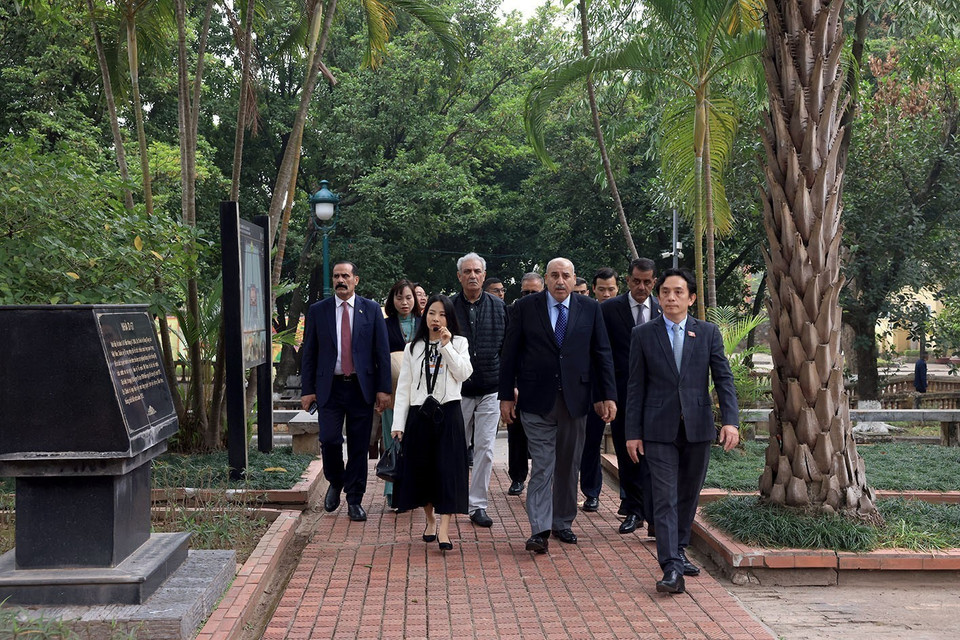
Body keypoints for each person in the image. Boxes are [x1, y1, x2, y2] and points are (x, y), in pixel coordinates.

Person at [625, 267, 739, 594]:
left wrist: (730, 421)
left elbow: (723, 379)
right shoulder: (643, 334)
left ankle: (679, 549)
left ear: (691, 298)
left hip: (697, 428)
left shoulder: (708, 333)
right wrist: (632, 432)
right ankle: (671, 567)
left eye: (678, 292)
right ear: (658, 297)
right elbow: (635, 387)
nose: (671, 298)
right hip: (657, 430)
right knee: (664, 497)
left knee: (688, 495)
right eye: (665, 292)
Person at [500, 257, 617, 554]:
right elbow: (509, 353)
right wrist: (506, 396)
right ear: (546, 279)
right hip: (536, 400)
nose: (560, 281)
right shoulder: (525, 308)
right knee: (543, 464)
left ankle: (562, 521)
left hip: (576, 400)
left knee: (568, 464)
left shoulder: (589, 308)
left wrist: (607, 395)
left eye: (565, 275)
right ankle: (539, 529)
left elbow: (601, 353)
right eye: (554, 275)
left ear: (574, 278)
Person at [301, 261, 392, 522]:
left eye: (345, 276)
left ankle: (354, 499)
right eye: (336, 276)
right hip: (329, 388)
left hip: (361, 388)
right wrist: (307, 390)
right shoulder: (318, 311)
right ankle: (336, 480)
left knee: (359, 447)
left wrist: (383, 389)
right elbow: (309, 352)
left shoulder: (371, 309)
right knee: (329, 439)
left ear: (356, 280)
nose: (340, 280)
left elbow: (382, 352)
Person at [391, 295, 473, 551]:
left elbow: (463, 374)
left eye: (442, 314)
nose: (436, 319)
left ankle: (445, 530)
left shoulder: (459, 343)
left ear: (450, 318)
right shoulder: (413, 347)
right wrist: (398, 423)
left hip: (448, 414)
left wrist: (446, 347)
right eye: (431, 313)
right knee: (422, 470)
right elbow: (404, 388)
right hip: (420, 415)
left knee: (448, 471)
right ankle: (430, 520)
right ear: (424, 316)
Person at [601, 258, 662, 535]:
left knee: (654, 455)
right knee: (628, 454)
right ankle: (633, 510)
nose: (641, 287)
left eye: (647, 282)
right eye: (636, 281)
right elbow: (602, 354)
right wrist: (606, 394)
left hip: (657, 397)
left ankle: (653, 515)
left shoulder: (663, 309)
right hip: (622, 395)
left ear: (654, 282)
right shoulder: (609, 310)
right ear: (627, 280)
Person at [452, 253, 507, 529]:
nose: (472, 275)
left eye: (477, 271)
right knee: (455, 447)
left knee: (485, 449)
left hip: (491, 389)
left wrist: (510, 385)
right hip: (457, 390)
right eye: (467, 271)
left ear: (484, 276)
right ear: (459, 276)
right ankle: (453, 498)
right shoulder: (448, 307)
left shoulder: (499, 307)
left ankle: (478, 505)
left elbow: (507, 348)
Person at [578, 267, 621, 514]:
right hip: (590, 390)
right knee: (591, 443)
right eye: (602, 289)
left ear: (617, 289)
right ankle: (591, 492)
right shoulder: (586, 313)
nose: (606, 294)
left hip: (622, 389)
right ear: (593, 289)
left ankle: (629, 500)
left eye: (611, 289)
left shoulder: (624, 313)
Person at [380, 279, 421, 506]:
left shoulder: (424, 324)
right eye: (399, 298)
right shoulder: (384, 325)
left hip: (420, 394)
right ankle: (393, 492)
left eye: (408, 297)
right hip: (393, 394)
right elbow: (378, 360)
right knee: (393, 440)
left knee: (416, 442)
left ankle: (414, 491)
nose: (404, 302)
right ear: (392, 300)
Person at [505, 271, 544, 496]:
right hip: (520, 383)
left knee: (544, 438)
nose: (529, 296)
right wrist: (511, 385)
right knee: (517, 434)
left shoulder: (552, 313)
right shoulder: (513, 312)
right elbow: (508, 352)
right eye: (525, 292)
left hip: (545, 384)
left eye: (534, 292)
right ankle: (517, 477)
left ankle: (542, 480)